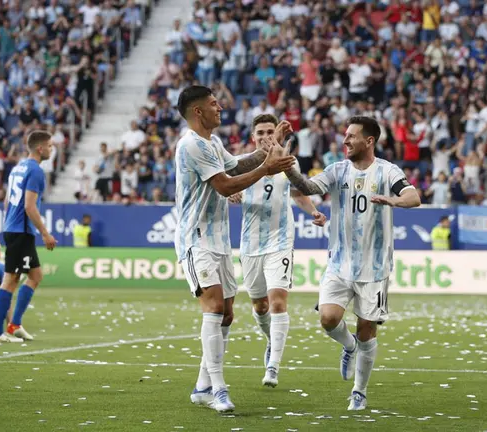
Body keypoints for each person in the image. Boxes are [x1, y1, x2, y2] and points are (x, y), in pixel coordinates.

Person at [282, 116, 421, 410]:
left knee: (367, 330)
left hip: (375, 268)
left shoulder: (387, 171)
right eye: (345, 135)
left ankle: (359, 391)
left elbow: (413, 196)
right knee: (328, 318)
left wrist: (394, 201)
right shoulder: (337, 170)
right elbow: (307, 187)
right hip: (339, 263)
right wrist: (288, 168)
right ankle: (349, 345)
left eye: (351, 136)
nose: (345, 140)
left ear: (369, 141)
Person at [174, 85, 295, 413]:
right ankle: (218, 389)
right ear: (198, 111)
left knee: (226, 313)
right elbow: (225, 184)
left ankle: (202, 386)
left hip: (219, 240)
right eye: (214, 104)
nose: (220, 108)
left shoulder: (213, 142)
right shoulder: (191, 145)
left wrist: (270, 147)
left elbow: (238, 165)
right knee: (213, 307)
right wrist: (266, 169)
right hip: (196, 238)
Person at [227, 114, 326, 388]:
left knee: (278, 303)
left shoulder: (287, 162)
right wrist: (231, 194)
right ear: (253, 137)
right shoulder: (242, 163)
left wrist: (313, 211)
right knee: (260, 307)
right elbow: (223, 186)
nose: (265, 136)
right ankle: (272, 340)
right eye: (260, 132)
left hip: (280, 240)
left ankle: (273, 366)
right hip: (250, 244)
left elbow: (298, 193)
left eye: (270, 131)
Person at [0, 130, 57, 343]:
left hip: (15, 228)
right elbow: (30, 206)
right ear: (40, 148)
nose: (52, 149)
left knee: (35, 276)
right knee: (11, 280)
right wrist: (45, 233)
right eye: (50, 146)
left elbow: (7, 202)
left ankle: (15, 324)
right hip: (20, 231)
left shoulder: (18, 167)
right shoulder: (36, 171)